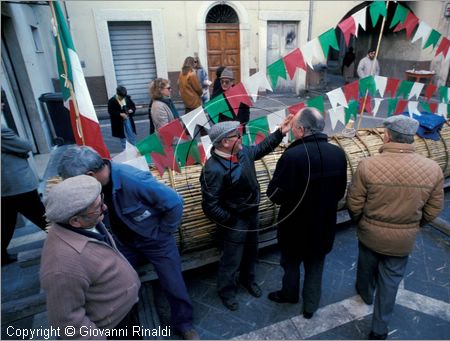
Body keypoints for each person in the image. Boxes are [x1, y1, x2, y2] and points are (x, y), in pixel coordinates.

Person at [57, 146, 199, 340]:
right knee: (119, 285)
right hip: (122, 243)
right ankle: (128, 327)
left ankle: (184, 324)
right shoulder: (93, 187)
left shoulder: (133, 179)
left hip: (155, 241)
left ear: (90, 175)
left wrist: (162, 232)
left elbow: (175, 203)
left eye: (76, 182)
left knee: (173, 283)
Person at [347, 115, 444, 340]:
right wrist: (414, 225)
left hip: (370, 234)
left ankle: (365, 294)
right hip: (403, 241)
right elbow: (433, 209)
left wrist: (361, 222)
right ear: (411, 138)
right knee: (390, 283)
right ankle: (379, 330)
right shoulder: (433, 169)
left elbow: (354, 203)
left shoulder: (367, 165)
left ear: (388, 136)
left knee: (366, 267)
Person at [200, 116, 293, 311]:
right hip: (235, 221)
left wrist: (279, 133)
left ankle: (248, 280)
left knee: (252, 251)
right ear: (225, 142)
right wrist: (230, 220)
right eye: (237, 135)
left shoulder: (242, 152)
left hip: (252, 213)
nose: (241, 138)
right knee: (231, 258)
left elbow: (261, 148)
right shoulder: (213, 169)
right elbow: (210, 205)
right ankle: (227, 292)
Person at [266, 107, 347, 319]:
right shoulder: (338, 153)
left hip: (294, 226)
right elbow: (340, 192)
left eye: (293, 128)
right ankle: (310, 306)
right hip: (323, 224)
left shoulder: (293, 156)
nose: (292, 132)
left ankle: (289, 294)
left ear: (301, 130)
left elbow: (274, 194)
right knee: (316, 264)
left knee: (290, 262)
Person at [40, 175, 140, 339]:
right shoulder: (62, 267)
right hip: (112, 329)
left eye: (101, 200)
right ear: (76, 221)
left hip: (125, 312)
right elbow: (66, 322)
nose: (105, 207)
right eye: (98, 207)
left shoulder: (89, 222)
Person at [1, 124, 47, 265]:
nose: (3, 104)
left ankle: (2, 256)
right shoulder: (2, 129)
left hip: (7, 185)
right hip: (17, 184)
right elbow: (27, 146)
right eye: (1, 101)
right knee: (42, 217)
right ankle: (70, 240)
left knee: (6, 222)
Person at [108, 86, 137, 150]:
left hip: (128, 118)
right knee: (122, 136)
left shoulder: (127, 98)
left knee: (131, 134)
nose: (122, 98)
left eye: (123, 97)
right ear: (117, 94)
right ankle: (125, 149)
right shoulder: (112, 100)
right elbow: (111, 111)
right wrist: (120, 114)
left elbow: (133, 107)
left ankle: (135, 148)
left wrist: (131, 110)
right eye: (121, 97)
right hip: (119, 122)